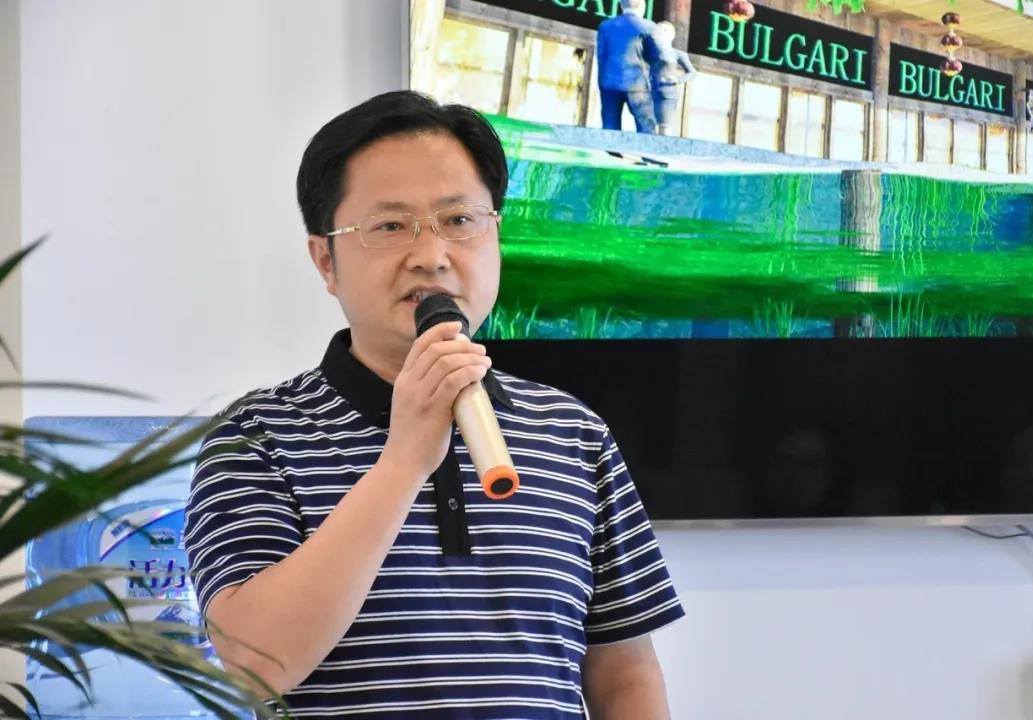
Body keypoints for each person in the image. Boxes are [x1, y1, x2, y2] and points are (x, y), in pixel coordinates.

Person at [182, 90, 684, 718]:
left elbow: (625, 674)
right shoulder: (256, 435)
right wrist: (402, 462)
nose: (431, 256)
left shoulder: (573, 433)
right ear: (325, 261)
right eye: (390, 227)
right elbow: (253, 666)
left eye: (460, 220)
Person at [595, 0, 661, 133]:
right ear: (642, 6)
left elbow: (601, 56)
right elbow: (656, 57)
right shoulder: (649, 27)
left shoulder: (605, 26)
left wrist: (601, 81)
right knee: (646, 129)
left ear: (621, 6)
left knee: (610, 128)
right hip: (638, 85)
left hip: (608, 83)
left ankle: (611, 147)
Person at [650, 21, 696, 136]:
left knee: (664, 126)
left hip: (667, 93)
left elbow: (692, 72)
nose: (661, 32)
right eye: (659, 29)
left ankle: (664, 146)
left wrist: (677, 80)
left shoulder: (678, 54)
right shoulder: (649, 52)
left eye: (665, 30)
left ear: (672, 35)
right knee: (648, 125)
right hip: (649, 91)